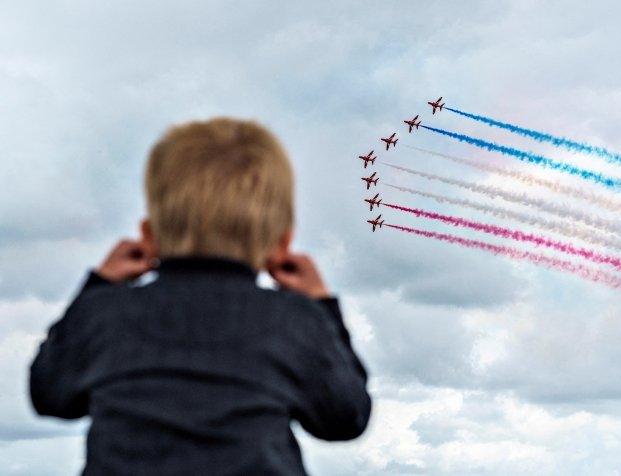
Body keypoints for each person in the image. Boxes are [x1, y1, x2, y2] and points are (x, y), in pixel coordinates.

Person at [28, 118, 371, 475]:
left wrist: (98, 287)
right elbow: (345, 418)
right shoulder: (295, 320)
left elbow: (50, 395)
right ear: (282, 243)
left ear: (148, 235)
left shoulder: (104, 313)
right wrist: (321, 304)